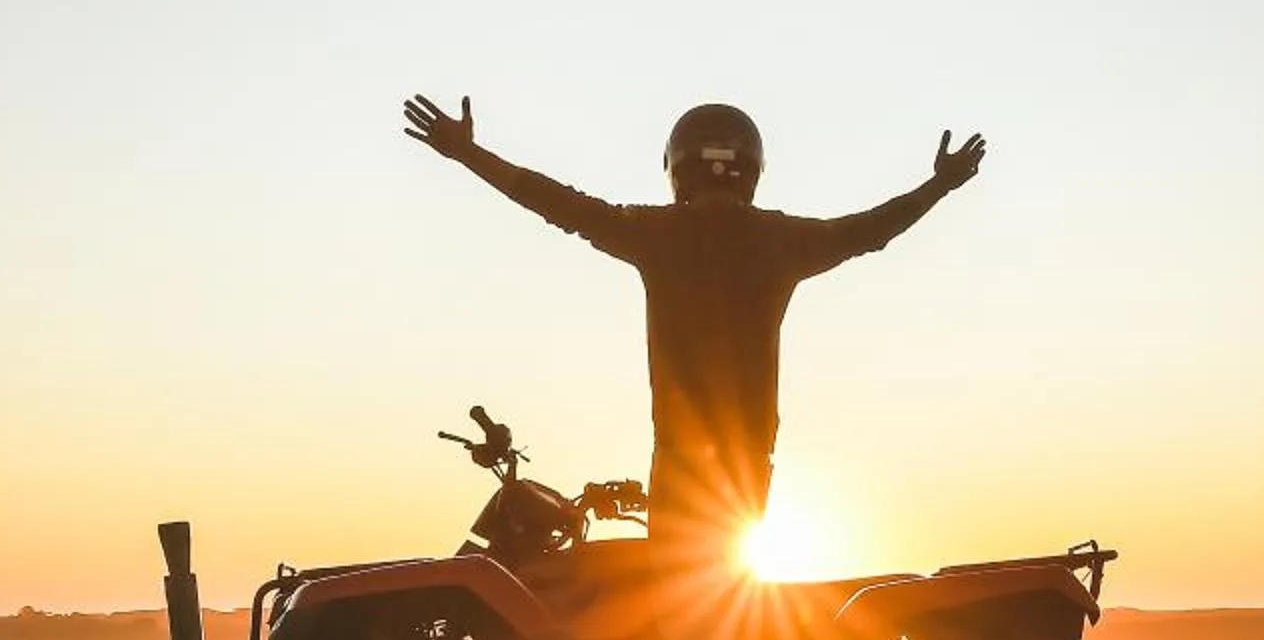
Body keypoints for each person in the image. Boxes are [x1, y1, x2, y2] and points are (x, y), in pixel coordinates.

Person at [402, 94, 984, 566]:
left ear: (676, 167)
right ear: (752, 169)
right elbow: (871, 230)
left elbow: (556, 203)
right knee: (712, 603)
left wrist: (469, 155)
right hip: (749, 461)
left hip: (680, 458)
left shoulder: (657, 234)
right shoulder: (783, 241)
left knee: (672, 614)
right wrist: (939, 186)